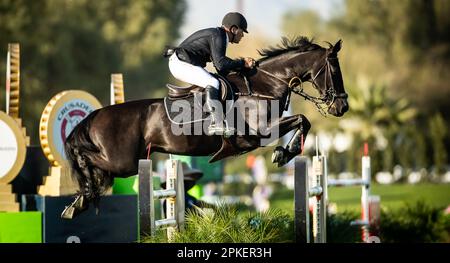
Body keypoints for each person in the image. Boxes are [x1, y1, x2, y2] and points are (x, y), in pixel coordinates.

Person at [166, 12, 256, 136]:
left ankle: (212, 117)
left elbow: (222, 70)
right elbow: (221, 64)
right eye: (242, 31)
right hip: (180, 63)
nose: (242, 35)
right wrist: (242, 63)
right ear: (234, 29)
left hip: (182, 62)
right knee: (212, 82)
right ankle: (215, 123)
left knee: (215, 80)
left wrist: (241, 68)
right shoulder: (219, 36)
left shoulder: (219, 35)